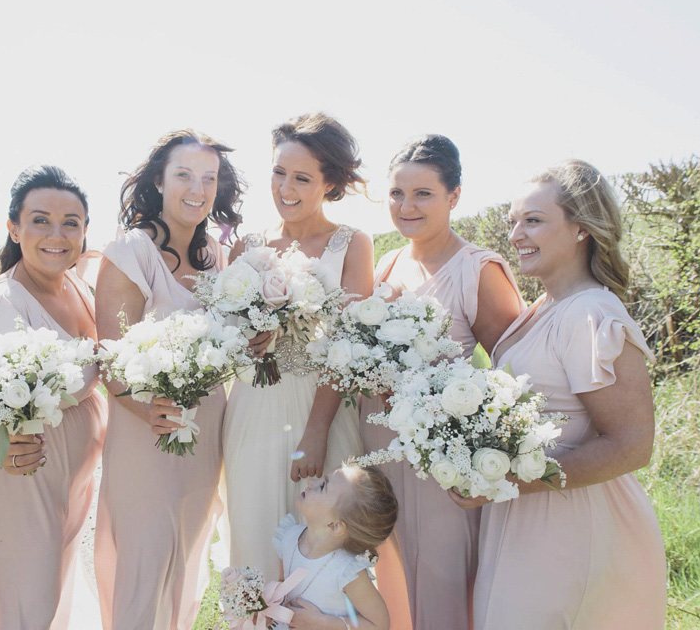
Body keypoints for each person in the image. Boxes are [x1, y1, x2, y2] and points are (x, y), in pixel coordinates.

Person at [450, 160, 667, 629]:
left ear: (581, 230)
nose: (515, 235)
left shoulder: (591, 314)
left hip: (572, 524)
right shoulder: (543, 308)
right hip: (524, 517)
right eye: (512, 222)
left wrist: (503, 482)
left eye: (533, 220)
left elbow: (632, 445)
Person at [358, 135, 523, 628]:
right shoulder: (387, 264)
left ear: (453, 196)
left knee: (443, 580)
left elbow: (513, 375)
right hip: (381, 448)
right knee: (393, 582)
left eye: (423, 193)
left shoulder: (479, 269)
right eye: (396, 193)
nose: (406, 206)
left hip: (439, 459)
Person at [93, 130, 244, 629]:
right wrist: (148, 410)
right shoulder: (131, 253)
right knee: (144, 564)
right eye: (184, 175)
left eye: (209, 178)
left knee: (186, 561)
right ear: (159, 180)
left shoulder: (216, 260)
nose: (197, 189)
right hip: (147, 432)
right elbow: (112, 358)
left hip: (205, 434)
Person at [0, 165, 106, 630]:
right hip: (21, 481)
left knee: (54, 598)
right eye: (40, 220)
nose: (56, 234)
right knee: (25, 605)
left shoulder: (79, 285)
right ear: (14, 228)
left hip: (67, 482)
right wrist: (1, 453)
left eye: (71, 223)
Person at [224, 112, 375, 577]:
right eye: (278, 172)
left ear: (329, 183)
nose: (285, 187)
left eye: (302, 177)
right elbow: (227, 337)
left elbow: (349, 346)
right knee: (255, 536)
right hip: (253, 405)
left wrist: (317, 431)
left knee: (326, 552)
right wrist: (248, 339)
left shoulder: (352, 244)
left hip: (322, 409)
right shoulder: (245, 247)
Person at [271, 462, 397, 630]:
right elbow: (282, 589)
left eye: (322, 486)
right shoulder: (288, 537)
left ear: (334, 526)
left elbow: (379, 624)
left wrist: (322, 623)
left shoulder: (347, 571)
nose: (311, 482)